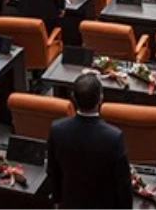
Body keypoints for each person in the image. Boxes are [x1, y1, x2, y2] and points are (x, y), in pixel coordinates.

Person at [47, 73, 133, 210]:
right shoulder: (114, 137)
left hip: (70, 203)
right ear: (101, 98)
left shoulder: (57, 129)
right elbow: (123, 185)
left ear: (73, 97)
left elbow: (53, 172)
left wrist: (57, 200)